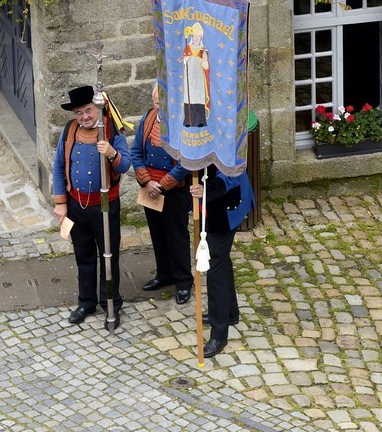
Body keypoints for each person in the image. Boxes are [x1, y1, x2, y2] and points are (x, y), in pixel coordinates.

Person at [51, 84, 131, 328]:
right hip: (76, 206)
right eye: (79, 113)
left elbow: (125, 165)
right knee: (83, 256)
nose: (84, 117)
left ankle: (112, 304)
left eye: (88, 110)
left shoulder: (112, 131)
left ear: (97, 109)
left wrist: (111, 152)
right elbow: (57, 168)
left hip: (105, 208)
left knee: (109, 257)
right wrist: (61, 204)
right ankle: (86, 302)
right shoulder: (69, 131)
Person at [130, 83, 192, 304]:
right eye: (157, 103)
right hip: (149, 189)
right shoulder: (148, 118)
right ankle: (164, 274)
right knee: (157, 234)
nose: (161, 108)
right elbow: (136, 151)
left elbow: (187, 158)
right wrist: (147, 182)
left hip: (173, 191)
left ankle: (184, 281)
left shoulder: (184, 123)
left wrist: (163, 184)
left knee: (177, 237)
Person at [189, 162, 255, 358]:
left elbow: (232, 170)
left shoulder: (227, 136)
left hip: (226, 206)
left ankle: (219, 334)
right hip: (210, 205)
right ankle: (230, 313)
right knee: (221, 259)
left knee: (216, 263)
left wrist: (206, 190)